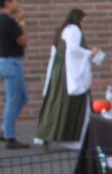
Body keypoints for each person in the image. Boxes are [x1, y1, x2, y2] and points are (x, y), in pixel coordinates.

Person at [34, 8, 98, 148]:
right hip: (68, 73)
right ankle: (76, 140)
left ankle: (47, 135)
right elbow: (73, 50)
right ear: (77, 19)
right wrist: (89, 52)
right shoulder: (74, 29)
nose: (84, 23)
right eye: (83, 20)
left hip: (59, 72)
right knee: (70, 104)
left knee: (55, 103)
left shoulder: (61, 30)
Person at [0, 0, 29, 149]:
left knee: (21, 98)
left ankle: (5, 129)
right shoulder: (9, 21)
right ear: (7, 2)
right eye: (15, 1)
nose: (17, 4)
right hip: (11, 63)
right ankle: (9, 137)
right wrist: (21, 21)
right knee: (14, 100)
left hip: (4, 62)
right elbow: (23, 41)